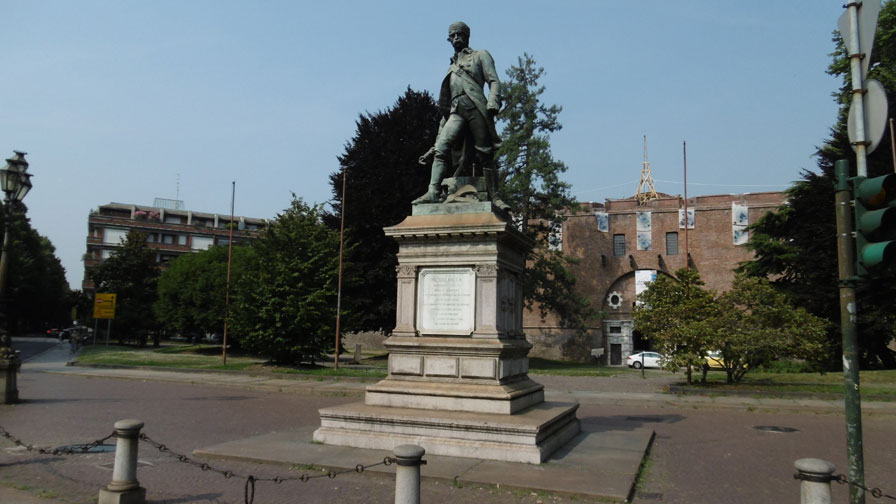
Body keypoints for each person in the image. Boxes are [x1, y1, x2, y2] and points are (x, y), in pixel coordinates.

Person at [414, 21, 509, 211]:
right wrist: (437, 135)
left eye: (460, 34)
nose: (457, 37)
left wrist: (493, 101)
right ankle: (433, 191)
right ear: (449, 39)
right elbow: (446, 105)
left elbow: (494, 81)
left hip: (476, 108)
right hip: (456, 111)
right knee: (441, 148)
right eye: (453, 35)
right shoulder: (451, 68)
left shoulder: (480, 55)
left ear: (467, 37)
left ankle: (495, 196)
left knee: (485, 153)